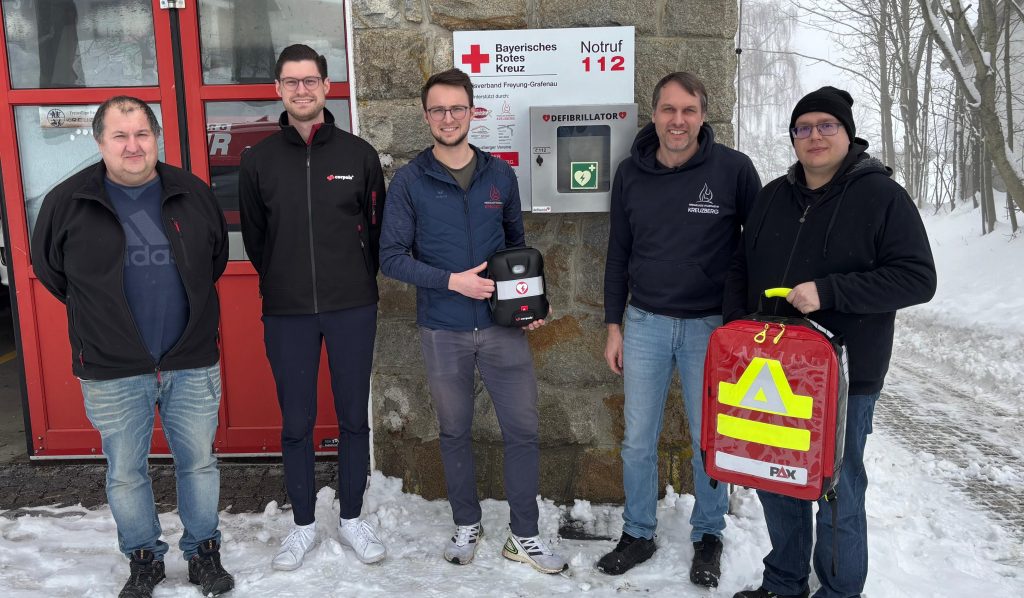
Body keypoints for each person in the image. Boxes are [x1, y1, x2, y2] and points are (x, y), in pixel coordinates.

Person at [725, 87, 936, 598]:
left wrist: (830, 291)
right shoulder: (771, 197)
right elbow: (739, 268)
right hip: (771, 370)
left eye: (827, 126)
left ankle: (840, 590)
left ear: (847, 133)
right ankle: (785, 582)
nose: (815, 136)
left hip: (845, 374)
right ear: (793, 138)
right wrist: (736, 331)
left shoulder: (882, 196)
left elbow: (917, 279)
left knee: (836, 487)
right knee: (777, 476)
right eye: (804, 127)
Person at [31, 96, 233, 598]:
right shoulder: (67, 202)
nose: (132, 146)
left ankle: (204, 552)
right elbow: (52, 272)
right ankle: (144, 557)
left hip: (190, 359)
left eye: (142, 133)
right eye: (120, 136)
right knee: (125, 471)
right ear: (100, 141)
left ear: (156, 137)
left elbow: (214, 260)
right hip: (112, 365)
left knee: (199, 463)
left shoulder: (191, 192)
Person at [379, 68, 567, 575]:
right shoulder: (410, 181)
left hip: (501, 327)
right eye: (438, 110)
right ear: (426, 116)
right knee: (454, 430)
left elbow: (516, 250)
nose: (448, 118)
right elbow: (391, 258)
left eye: (456, 108)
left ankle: (524, 534)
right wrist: (450, 282)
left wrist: (528, 304)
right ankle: (467, 523)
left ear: (472, 111)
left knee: (523, 430)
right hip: (443, 327)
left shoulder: (499, 175)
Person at [600, 72, 762, 587]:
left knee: (707, 440)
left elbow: (760, 247)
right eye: (668, 110)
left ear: (703, 115)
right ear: (654, 115)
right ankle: (638, 531)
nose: (678, 120)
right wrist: (613, 325)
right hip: (645, 323)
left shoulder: (734, 170)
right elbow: (618, 253)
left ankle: (708, 534)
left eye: (688, 110)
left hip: (710, 330)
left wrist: (747, 324)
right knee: (637, 440)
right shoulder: (630, 174)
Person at [238, 44, 387, 569]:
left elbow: (375, 229)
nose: (301, 90)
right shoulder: (258, 160)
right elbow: (256, 238)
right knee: (296, 421)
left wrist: (352, 278)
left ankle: (352, 518)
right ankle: (302, 524)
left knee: (352, 418)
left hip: (352, 306)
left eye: (310, 80)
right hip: (288, 310)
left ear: (326, 86)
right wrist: (285, 279)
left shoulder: (359, 155)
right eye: (291, 81)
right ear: (278, 89)